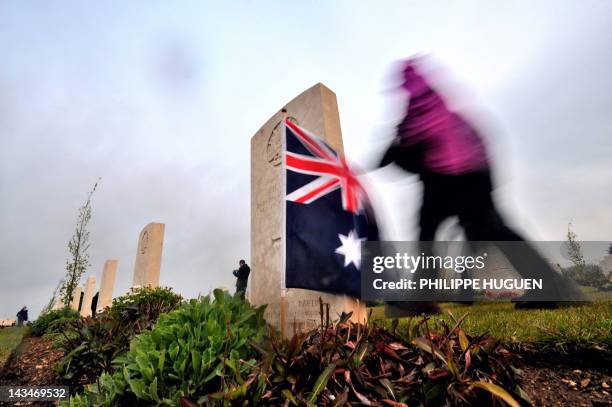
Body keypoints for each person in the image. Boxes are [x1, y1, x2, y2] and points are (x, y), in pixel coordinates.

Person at [380, 57, 583, 315]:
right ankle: (548, 287)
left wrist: (398, 145)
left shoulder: (418, 115)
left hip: (451, 181)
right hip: (468, 178)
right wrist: (486, 189)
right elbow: (478, 144)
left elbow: (405, 152)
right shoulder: (444, 112)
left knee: (429, 239)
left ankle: (422, 298)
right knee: (496, 234)